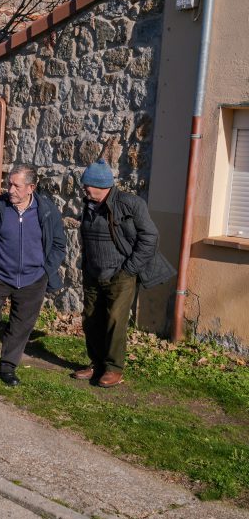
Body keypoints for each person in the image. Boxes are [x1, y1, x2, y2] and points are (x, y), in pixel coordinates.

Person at [76, 159, 174, 387]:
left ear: (100, 185)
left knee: (114, 320)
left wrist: (129, 268)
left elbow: (150, 238)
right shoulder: (89, 204)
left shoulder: (130, 204)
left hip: (121, 274)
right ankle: (97, 364)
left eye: (86, 185)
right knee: (91, 319)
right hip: (93, 273)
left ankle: (113, 368)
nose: (84, 189)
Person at [0, 163, 66, 386]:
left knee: (21, 325)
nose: (10, 190)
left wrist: (45, 270)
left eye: (16, 186)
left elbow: (58, 244)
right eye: (9, 184)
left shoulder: (47, 211)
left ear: (31, 188)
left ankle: (8, 367)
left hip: (32, 279)